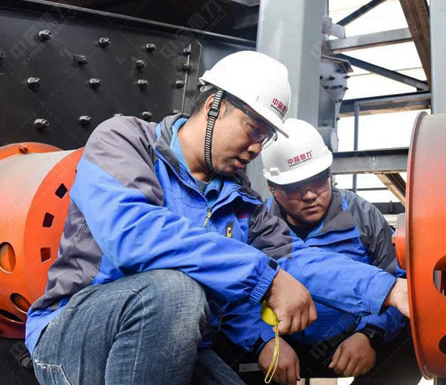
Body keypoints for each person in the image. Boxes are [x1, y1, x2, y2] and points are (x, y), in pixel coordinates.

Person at [25, 51, 410, 385]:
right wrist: (266, 277)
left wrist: (390, 290)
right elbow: (133, 234)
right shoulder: (126, 142)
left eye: (266, 138)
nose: (257, 148)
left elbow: (294, 258)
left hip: (182, 344)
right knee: (176, 291)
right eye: (253, 129)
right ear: (214, 107)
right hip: (75, 335)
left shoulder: (242, 201)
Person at [219, 118, 420, 385]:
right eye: (295, 187)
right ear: (272, 188)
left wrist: (371, 334)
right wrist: (264, 342)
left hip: (350, 339)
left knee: (412, 340)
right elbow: (233, 294)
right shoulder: (255, 224)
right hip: (282, 341)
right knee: (218, 343)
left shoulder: (362, 216)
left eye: (318, 181)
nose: (310, 195)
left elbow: (397, 276)